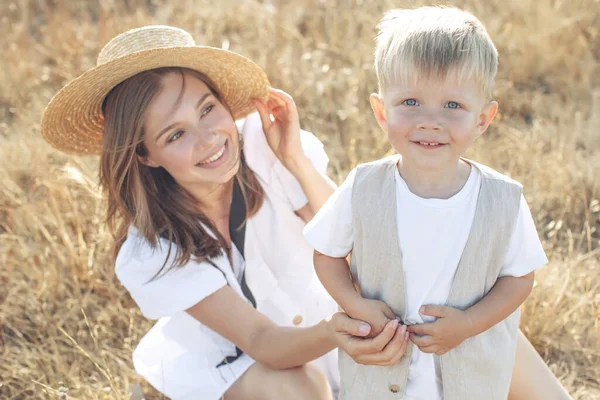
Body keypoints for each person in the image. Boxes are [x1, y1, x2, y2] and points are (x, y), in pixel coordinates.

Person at [40, 24, 572, 400]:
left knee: (479, 330)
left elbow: (358, 238)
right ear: (145, 154)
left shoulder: (262, 146)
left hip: (339, 329)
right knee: (297, 387)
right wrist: (343, 330)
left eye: (209, 110)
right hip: (254, 363)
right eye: (175, 134)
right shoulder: (152, 249)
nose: (208, 140)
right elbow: (265, 344)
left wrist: (293, 158)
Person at [304, 6, 569, 400]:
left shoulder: (502, 199)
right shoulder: (363, 186)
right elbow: (327, 255)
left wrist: (468, 323)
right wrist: (354, 303)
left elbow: (519, 279)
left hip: (467, 376)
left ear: (483, 119)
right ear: (381, 111)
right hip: (380, 374)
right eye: (410, 102)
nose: (430, 121)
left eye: (452, 106)